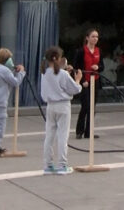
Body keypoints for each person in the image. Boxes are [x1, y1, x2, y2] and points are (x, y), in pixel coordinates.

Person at [40, 46, 82, 175]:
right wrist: (78, 79)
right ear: (57, 58)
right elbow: (75, 89)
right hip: (63, 105)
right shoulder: (63, 74)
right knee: (63, 136)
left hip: (50, 105)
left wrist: (64, 69)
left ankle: (48, 165)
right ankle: (62, 165)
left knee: (49, 135)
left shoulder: (45, 73)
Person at [72, 28, 104, 139]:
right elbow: (76, 67)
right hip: (84, 82)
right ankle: (79, 131)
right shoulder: (81, 51)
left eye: (97, 37)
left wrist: (98, 67)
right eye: (93, 36)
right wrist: (82, 81)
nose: (95, 39)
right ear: (87, 38)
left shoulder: (98, 51)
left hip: (95, 81)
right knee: (85, 106)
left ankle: (88, 131)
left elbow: (102, 66)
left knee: (92, 107)